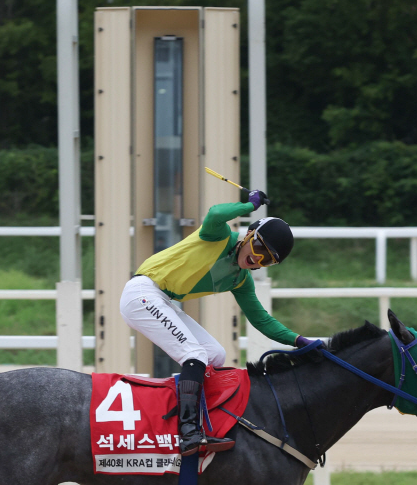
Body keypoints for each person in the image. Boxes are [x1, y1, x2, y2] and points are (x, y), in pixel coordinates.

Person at [119, 190, 313, 456]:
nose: (257, 259)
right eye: (258, 248)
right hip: (142, 293)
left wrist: (300, 340)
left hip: (162, 299)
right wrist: (249, 204)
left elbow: (262, 321)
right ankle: (188, 433)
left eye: (267, 260)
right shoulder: (218, 236)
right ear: (248, 235)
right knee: (195, 354)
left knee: (214, 354)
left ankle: (190, 417)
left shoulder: (240, 279)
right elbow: (215, 214)